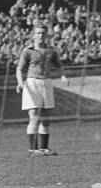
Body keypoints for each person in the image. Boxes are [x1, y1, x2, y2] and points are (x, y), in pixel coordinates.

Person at [15, 25, 67, 156]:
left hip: (47, 83)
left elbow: (59, 65)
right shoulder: (27, 51)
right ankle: (33, 149)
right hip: (32, 83)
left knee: (46, 118)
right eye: (38, 33)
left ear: (47, 35)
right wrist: (20, 83)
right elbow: (19, 69)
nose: (40, 35)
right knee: (34, 117)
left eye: (43, 33)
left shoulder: (51, 50)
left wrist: (63, 76)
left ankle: (43, 148)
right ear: (33, 35)